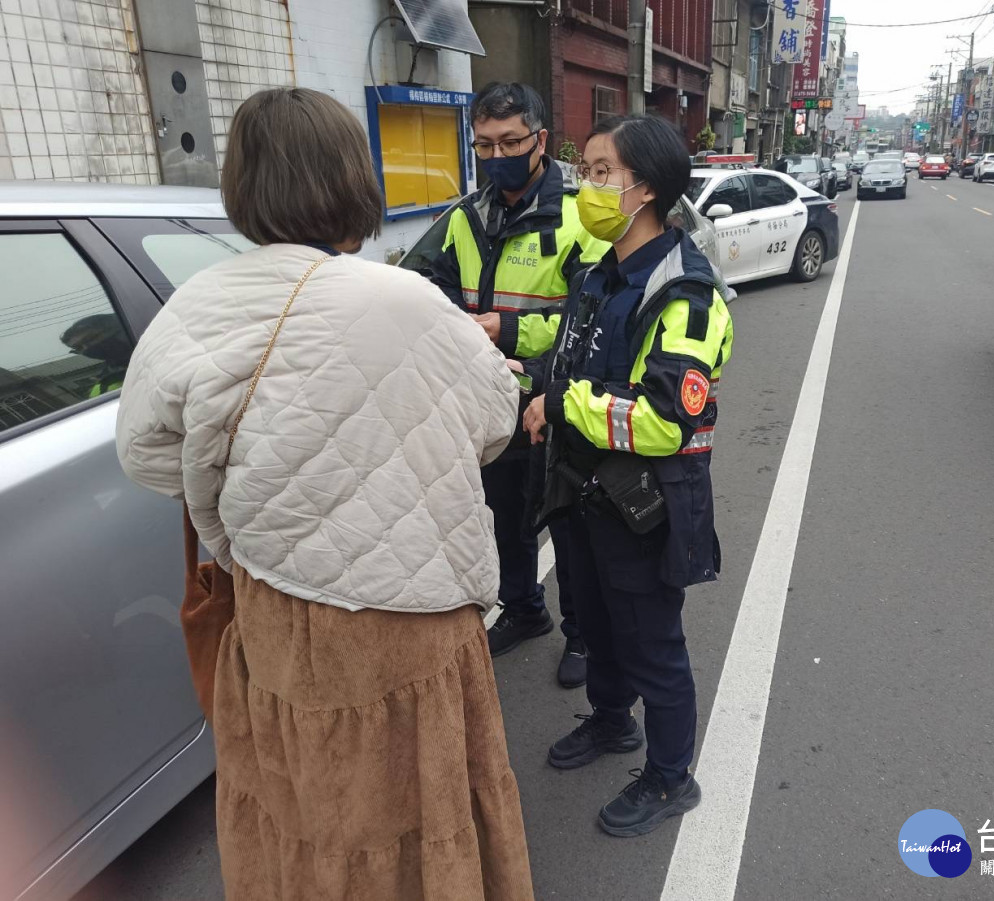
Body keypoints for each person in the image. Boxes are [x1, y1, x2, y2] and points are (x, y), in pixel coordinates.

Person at [115, 87, 534, 901]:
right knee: (424, 808)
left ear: (246, 187)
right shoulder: (401, 298)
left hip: (275, 613)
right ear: (352, 179)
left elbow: (146, 455)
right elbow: (493, 419)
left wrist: (266, 480)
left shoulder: (197, 303)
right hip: (406, 615)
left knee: (301, 809)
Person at [517, 115, 734, 837]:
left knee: (653, 648)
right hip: (582, 495)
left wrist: (562, 401)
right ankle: (613, 723)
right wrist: (540, 380)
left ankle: (673, 777)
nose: (587, 184)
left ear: (644, 189)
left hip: (640, 507)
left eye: (601, 171)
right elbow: (574, 356)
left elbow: (663, 421)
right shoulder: (597, 274)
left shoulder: (687, 298)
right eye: (586, 170)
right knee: (598, 629)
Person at [430, 82, 608, 687]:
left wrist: (505, 329)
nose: (496, 154)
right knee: (505, 515)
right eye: (483, 144)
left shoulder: (583, 215)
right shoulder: (464, 215)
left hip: (561, 398)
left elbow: (596, 320)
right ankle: (526, 609)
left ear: (541, 140)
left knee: (570, 520)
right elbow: (423, 291)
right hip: (493, 396)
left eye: (510, 141)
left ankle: (582, 636)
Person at [61, 313, 132, 397]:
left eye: (89, 339)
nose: (87, 348)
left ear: (113, 331)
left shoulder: (147, 344)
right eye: (78, 347)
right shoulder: (103, 388)